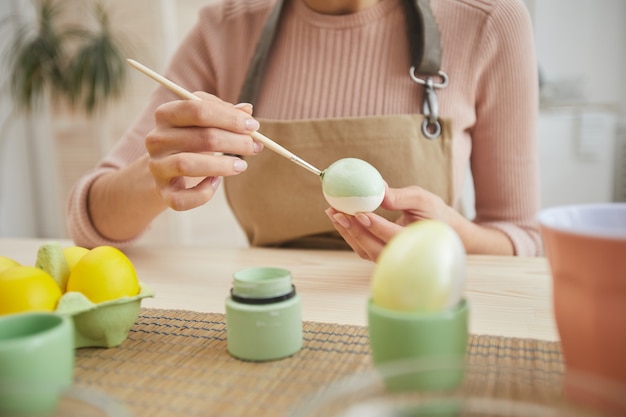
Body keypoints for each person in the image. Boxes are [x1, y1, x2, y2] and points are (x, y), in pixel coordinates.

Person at [67, 0, 542, 260]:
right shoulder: (224, 29)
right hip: (276, 318)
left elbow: (521, 236)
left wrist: (453, 239)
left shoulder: (488, 22)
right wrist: (156, 177)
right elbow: (88, 223)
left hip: (424, 315)